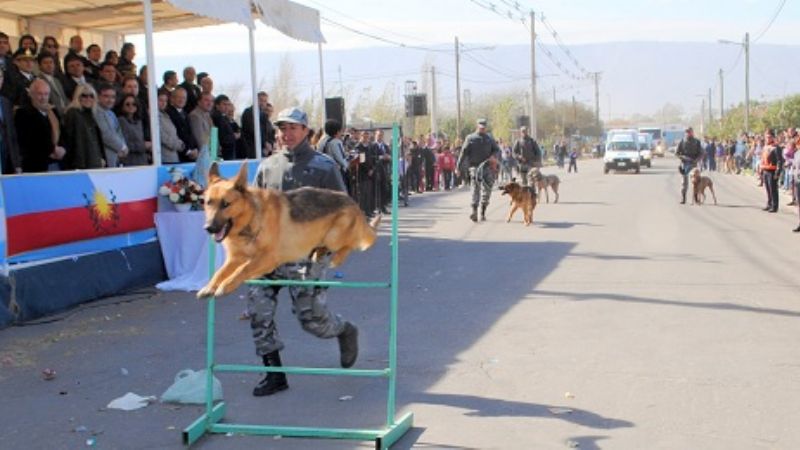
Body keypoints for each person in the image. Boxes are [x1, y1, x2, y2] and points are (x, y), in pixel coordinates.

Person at [247, 106, 358, 397]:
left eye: (293, 128)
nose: (287, 134)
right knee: (258, 309)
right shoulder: (267, 166)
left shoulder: (324, 167)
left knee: (312, 321)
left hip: (307, 254)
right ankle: (274, 374)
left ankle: (343, 330)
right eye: (283, 128)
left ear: (306, 131)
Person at [15, 79, 65, 172]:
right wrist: (51, 149)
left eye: (46, 94)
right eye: (39, 94)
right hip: (36, 164)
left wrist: (62, 148)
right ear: (31, 95)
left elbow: (62, 132)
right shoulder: (23, 113)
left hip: (57, 162)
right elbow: (28, 139)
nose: (43, 97)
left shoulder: (52, 111)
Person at [456, 118, 500, 222]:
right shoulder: (470, 138)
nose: (482, 129)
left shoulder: (489, 138)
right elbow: (463, 153)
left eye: (484, 127)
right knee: (475, 189)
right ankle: (474, 211)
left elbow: (497, 150)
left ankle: (483, 211)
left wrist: (494, 156)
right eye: (480, 127)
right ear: (477, 126)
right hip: (475, 168)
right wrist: (458, 167)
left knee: (487, 190)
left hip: (488, 167)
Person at [62, 84, 104, 169]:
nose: (88, 98)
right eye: (84, 95)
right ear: (78, 97)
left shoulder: (90, 115)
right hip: (80, 164)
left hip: (93, 162)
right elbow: (71, 141)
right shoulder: (72, 113)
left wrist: (100, 158)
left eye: (91, 96)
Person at [93, 84, 128, 167]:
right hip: (104, 158)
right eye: (106, 96)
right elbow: (105, 134)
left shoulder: (111, 113)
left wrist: (123, 146)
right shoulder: (96, 112)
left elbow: (118, 132)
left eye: (113, 97)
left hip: (115, 156)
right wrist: (122, 147)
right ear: (98, 97)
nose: (110, 100)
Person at [115, 94, 150, 166]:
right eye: (127, 104)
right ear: (122, 106)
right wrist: (144, 146)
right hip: (129, 161)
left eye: (134, 104)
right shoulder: (121, 121)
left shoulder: (139, 121)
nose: (131, 106)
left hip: (142, 161)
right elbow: (124, 144)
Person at [0, 69, 21, 174]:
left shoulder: (6, 103)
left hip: (6, 159)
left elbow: (12, 135)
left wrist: (17, 163)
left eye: (0, 77)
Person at [675, 127, 703, 204]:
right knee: (684, 183)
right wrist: (683, 157)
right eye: (686, 132)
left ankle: (696, 198)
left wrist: (697, 160)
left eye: (689, 132)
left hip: (693, 164)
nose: (688, 133)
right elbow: (677, 153)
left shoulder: (697, 142)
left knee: (696, 182)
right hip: (684, 164)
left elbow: (701, 153)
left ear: (692, 132)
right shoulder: (682, 141)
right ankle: (683, 198)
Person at [241, 91, 272, 158]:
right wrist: (264, 143)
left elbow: (267, 132)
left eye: (265, 101)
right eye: (261, 100)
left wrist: (268, 144)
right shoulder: (248, 112)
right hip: (250, 149)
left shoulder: (264, 115)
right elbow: (252, 130)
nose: (263, 103)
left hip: (263, 150)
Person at [157, 91, 183, 164]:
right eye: (160, 100)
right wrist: (178, 145)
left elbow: (173, 133)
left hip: (173, 156)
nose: (163, 103)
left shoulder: (166, 115)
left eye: (165, 101)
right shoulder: (154, 116)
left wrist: (180, 143)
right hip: (164, 157)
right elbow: (162, 136)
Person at [760, 130, 783, 213]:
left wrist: (778, 172)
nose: (767, 138)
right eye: (766, 137)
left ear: (773, 137)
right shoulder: (765, 147)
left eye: (769, 137)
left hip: (772, 171)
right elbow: (762, 159)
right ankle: (769, 204)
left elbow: (780, 161)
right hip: (765, 170)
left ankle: (774, 206)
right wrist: (761, 170)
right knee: (767, 189)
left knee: (773, 189)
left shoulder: (776, 147)